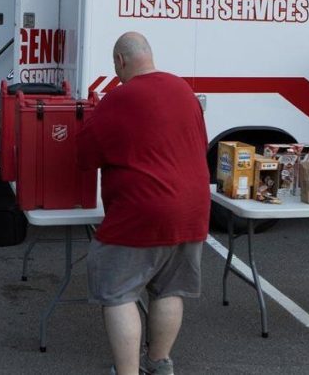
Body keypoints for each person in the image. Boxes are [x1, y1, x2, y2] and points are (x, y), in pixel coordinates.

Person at [77, 32, 210, 375]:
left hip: (143, 211)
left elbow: (84, 155)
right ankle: (159, 364)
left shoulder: (120, 98)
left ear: (120, 61)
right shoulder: (184, 91)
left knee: (118, 292)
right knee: (169, 289)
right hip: (193, 210)